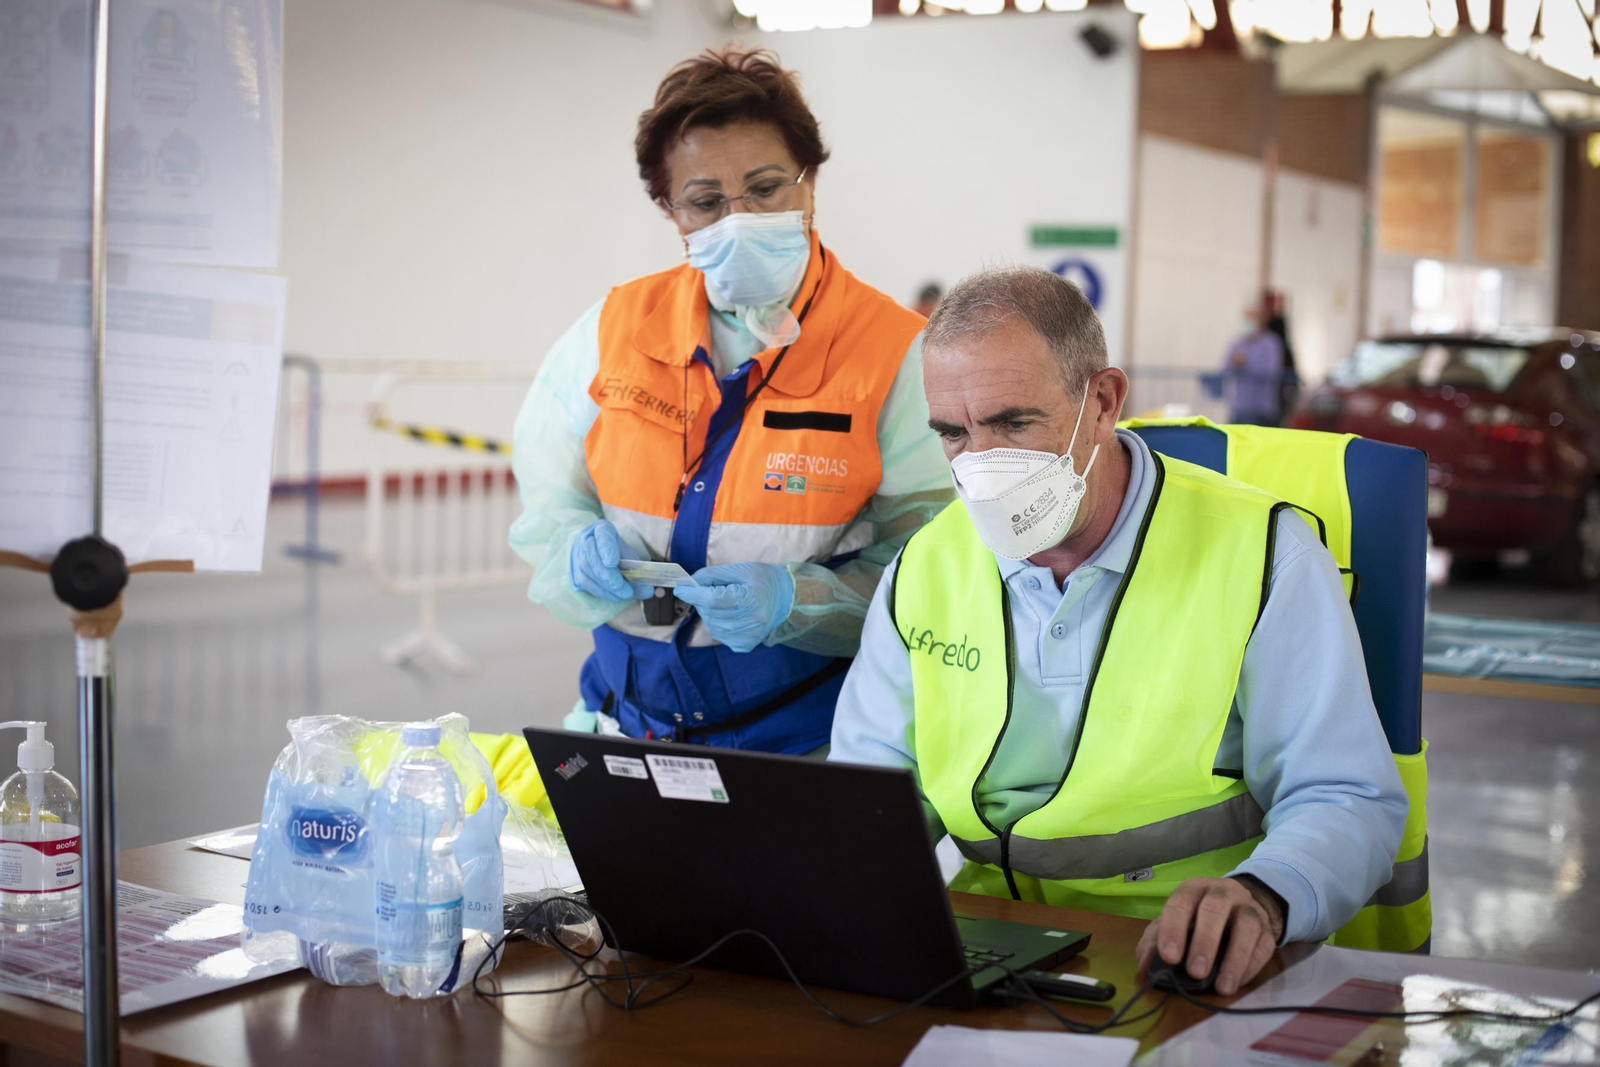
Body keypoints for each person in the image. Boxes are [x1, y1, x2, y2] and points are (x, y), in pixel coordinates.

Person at [831, 266, 1407, 996]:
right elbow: (870, 796)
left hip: (1176, 961)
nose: (979, 464)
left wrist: (1265, 892)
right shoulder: (927, 563)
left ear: (1101, 401)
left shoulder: (1264, 555)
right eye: (953, 432)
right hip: (991, 949)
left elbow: (1346, 793)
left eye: (1013, 423)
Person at [508, 48, 951, 755]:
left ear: (810, 188)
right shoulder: (612, 328)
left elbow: (938, 574)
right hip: (631, 724)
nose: (739, 218)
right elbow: (549, 496)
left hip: (812, 742)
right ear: (669, 209)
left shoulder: (897, 355)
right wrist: (571, 551)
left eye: (767, 188)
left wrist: (795, 601)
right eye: (707, 201)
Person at [1223, 300, 1286, 425]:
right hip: (1239, 408)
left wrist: (1247, 363)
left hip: (1262, 410)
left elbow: (1273, 371)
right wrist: (1233, 363)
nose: (1247, 323)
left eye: (1251, 319)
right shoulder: (1236, 343)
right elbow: (1223, 368)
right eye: (1245, 319)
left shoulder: (1271, 343)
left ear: (1260, 321)